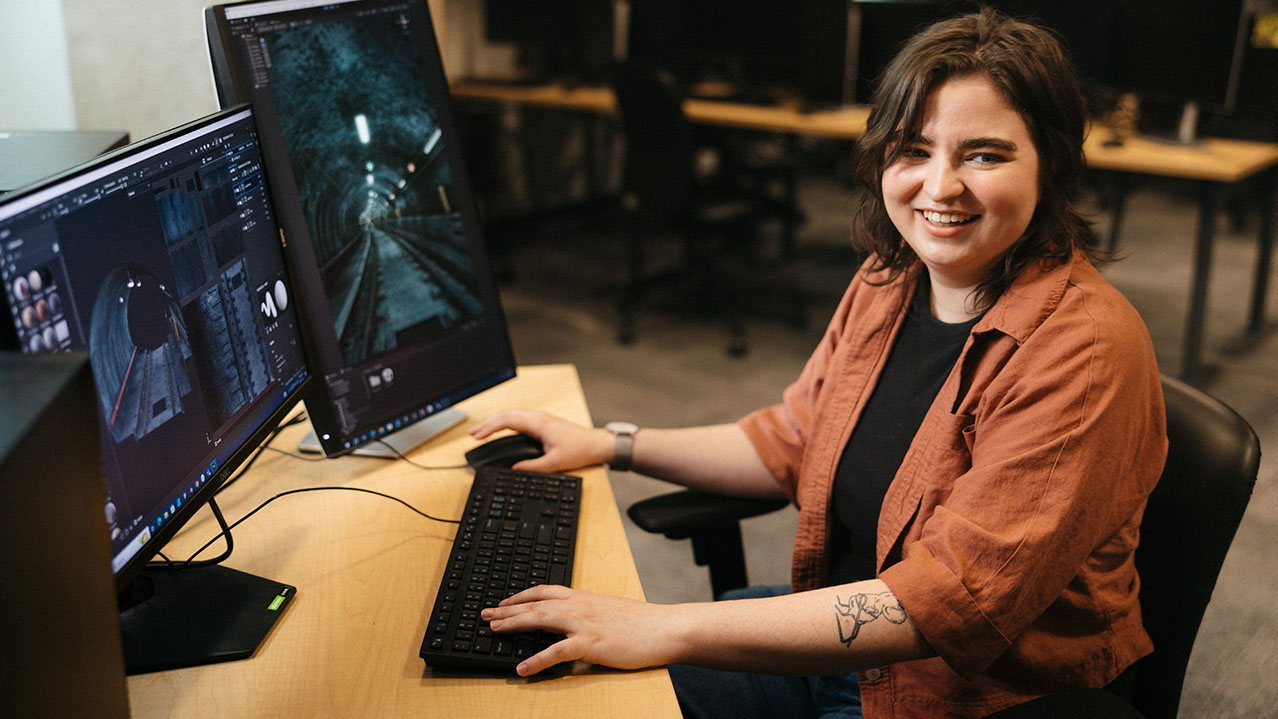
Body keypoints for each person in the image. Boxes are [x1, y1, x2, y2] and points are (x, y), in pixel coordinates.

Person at [469, 8, 1168, 718]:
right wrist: (613, 444)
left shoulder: (1084, 350)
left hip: (954, 695)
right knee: (563, 688)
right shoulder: (889, 279)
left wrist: (662, 626)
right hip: (835, 648)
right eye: (913, 149)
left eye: (984, 155)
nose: (940, 186)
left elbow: (944, 604)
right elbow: (793, 439)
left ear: (1052, 165)